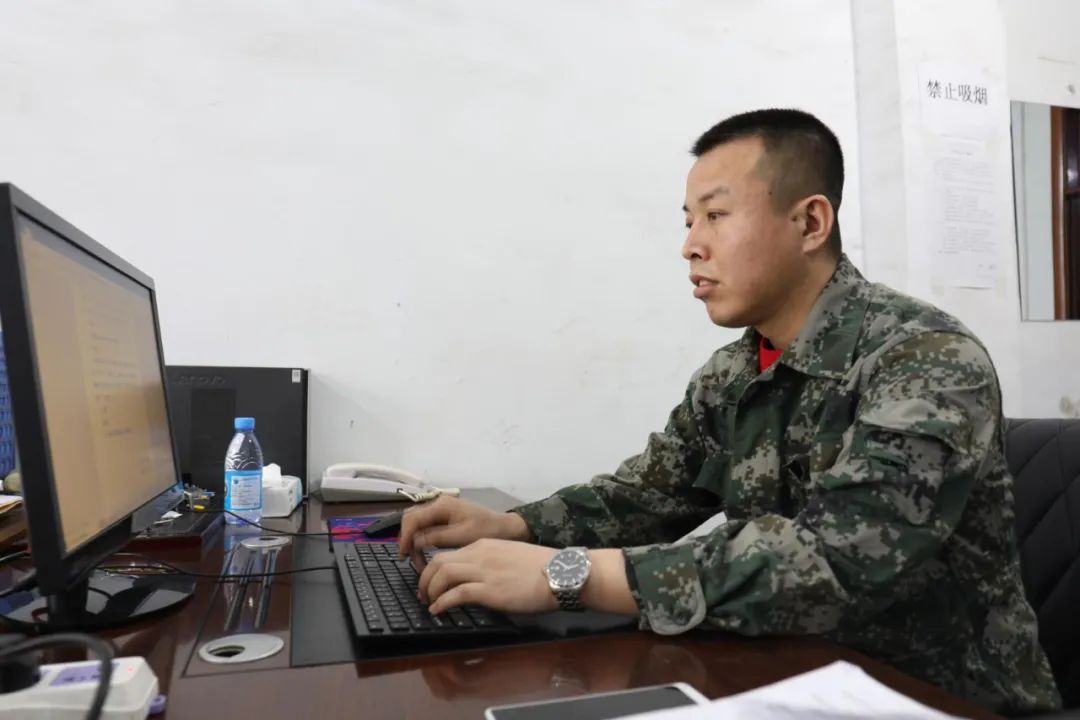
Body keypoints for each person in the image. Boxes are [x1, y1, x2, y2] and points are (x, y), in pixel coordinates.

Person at [397, 109, 1061, 714]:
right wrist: (515, 525)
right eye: (688, 221)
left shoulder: (926, 358)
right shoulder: (733, 373)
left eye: (715, 215)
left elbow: (837, 559)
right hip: (786, 677)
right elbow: (647, 494)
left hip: (936, 699)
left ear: (810, 223)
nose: (691, 245)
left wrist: (568, 575)